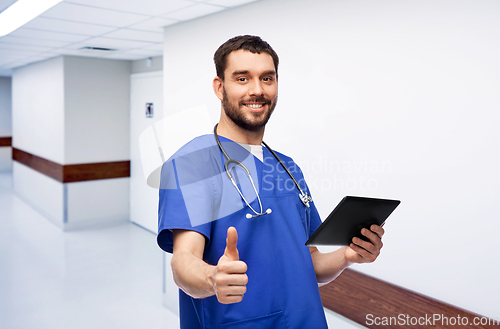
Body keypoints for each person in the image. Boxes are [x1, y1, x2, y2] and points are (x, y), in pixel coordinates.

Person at [157, 35, 385, 329]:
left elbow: (310, 264)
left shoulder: (287, 167)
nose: (257, 90)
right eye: (242, 78)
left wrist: (348, 256)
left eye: (267, 78)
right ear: (219, 87)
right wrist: (213, 279)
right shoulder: (192, 164)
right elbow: (183, 262)